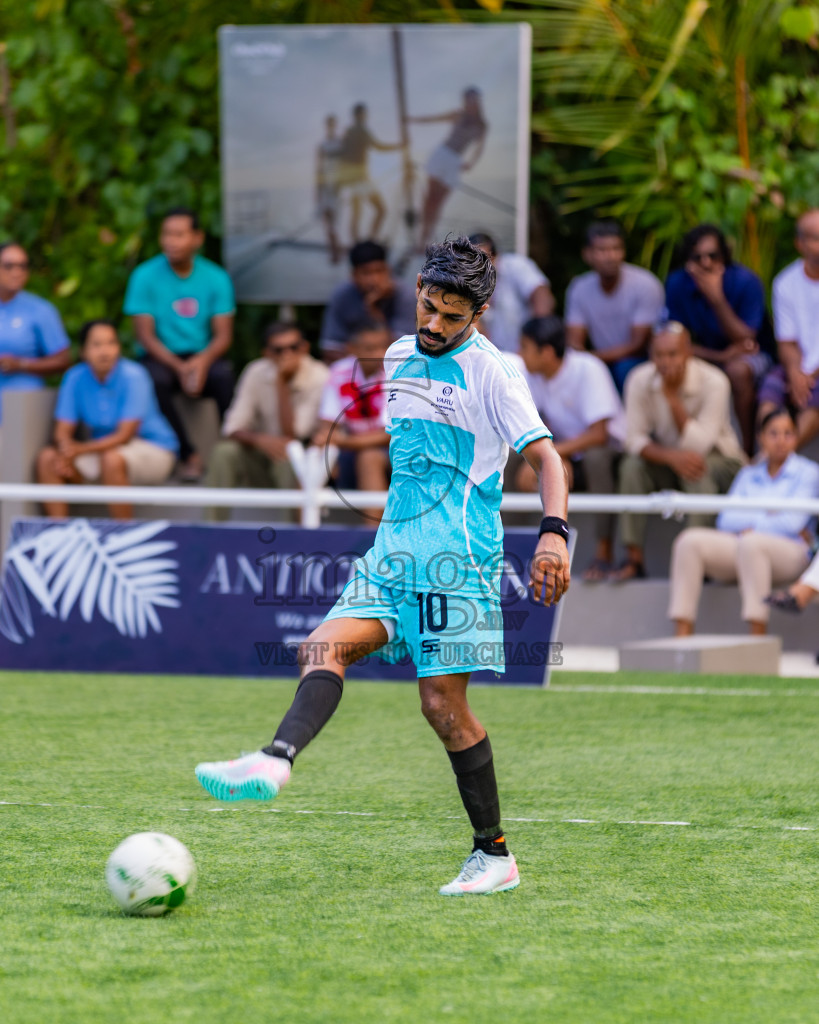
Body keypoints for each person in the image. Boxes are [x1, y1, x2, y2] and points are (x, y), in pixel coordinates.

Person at [195, 237, 571, 897]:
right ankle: (275, 759)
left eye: (451, 317)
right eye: (428, 307)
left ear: (477, 315)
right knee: (322, 647)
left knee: (441, 706)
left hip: (457, 560)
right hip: (391, 557)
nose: (433, 325)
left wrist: (552, 535)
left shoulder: (495, 371)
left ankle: (494, 856)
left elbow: (548, 458)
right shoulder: (398, 354)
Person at [668, 408, 819, 636]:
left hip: (792, 552)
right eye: (774, 433)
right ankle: (682, 635)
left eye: (788, 434)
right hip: (747, 548)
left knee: (752, 543)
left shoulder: (809, 472)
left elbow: (792, 523)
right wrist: (768, 515)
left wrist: (751, 524)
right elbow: (726, 519)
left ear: (796, 438)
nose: (781, 441)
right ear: (761, 438)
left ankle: (756, 637)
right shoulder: (749, 473)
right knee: (689, 542)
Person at [616, 321, 746, 581]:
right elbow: (632, 439)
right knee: (631, 466)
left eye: (672, 354)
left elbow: (699, 446)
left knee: (698, 467)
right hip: (670, 459)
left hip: (721, 461)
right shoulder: (639, 379)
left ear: (688, 353)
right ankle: (634, 559)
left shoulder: (715, 381)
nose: (665, 362)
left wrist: (672, 397)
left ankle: (699, 563)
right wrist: (670, 457)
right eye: (659, 355)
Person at [123, 207, 236, 481]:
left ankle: (232, 456)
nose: (171, 241)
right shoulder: (144, 276)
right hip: (161, 357)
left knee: (224, 376)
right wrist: (179, 367)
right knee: (153, 380)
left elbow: (223, 336)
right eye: (166, 234)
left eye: (179, 234)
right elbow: (145, 336)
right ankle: (188, 455)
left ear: (197, 238)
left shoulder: (216, 277)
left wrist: (200, 362)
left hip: (202, 355)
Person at [516, 315, 626, 581]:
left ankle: (604, 552)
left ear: (547, 352)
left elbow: (600, 435)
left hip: (612, 454)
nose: (521, 354)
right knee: (510, 456)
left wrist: (554, 456)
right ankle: (509, 546)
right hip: (569, 453)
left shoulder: (588, 368)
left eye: (526, 348)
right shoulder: (535, 374)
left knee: (596, 460)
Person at [36, 320, 178, 519]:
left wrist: (78, 450)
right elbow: (62, 430)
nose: (105, 351)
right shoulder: (74, 377)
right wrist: (65, 451)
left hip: (151, 448)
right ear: (83, 351)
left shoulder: (134, 375)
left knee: (111, 459)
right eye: (97, 344)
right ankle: (60, 536)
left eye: (111, 343)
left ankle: (123, 537)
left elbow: (125, 436)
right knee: (48, 459)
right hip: (101, 450)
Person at [665, 224, 772, 455]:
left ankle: (746, 450)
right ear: (687, 260)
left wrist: (716, 298)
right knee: (668, 363)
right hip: (704, 354)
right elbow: (673, 341)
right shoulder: (677, 284)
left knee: (737, 370)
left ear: (724, 255)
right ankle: (685, 448)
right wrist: (720, 356)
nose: (706, 263)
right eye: (698, 257)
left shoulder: (746, 281)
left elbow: (746, 339)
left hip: (753, 355)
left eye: (713, 255)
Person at [204, 323, 329, 520]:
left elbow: (294, 434)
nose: (287, 354)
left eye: (294, 347)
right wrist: (261, 441)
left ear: (305, 348)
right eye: (278, 350)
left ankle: (291, 540)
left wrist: (281, 382)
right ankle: (209, 532)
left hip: (301, 461)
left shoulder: (319, 375)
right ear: (267, 353)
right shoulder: (255, 371)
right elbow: (232, 427)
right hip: (260, 456)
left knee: (289, 456)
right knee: (223, 452)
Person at [565, 221, 665, 392]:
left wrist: (593, 357)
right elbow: (574, 343)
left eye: (616, 249)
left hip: (640, 361)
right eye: (602, 250)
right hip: (600, 361)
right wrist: (589, 361)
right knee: (575, 369)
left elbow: (638, 345)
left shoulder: (645, 284)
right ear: (587, 254)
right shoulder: (579, 288)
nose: (610, 256)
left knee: (624, 368)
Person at [313, 323, 391, 521]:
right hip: (350, 447)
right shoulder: (339, 371)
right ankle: (301, 537)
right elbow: (328, 423)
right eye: (370, 348)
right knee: (313, 456)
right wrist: (327, 450)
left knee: (369, 457)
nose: (379, 353)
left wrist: (339, 442)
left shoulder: (396, 372)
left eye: (382, 346)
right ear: (352, 349)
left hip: (394, 453)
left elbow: (387, 435)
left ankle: (372, 544)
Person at [757, 209, 819, 449]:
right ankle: (764, 456)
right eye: (815, 238)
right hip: (798, 365)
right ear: (799, 244)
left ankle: (778, 458)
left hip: (815, 372)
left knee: (814, 398)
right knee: (770, 390)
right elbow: (786, 341)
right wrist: (795, 373)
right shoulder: (785, 283)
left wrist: (808, 376)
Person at [0, 241, 71, 428]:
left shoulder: (40, 310)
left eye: (22, 266)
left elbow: (63, 360)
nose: (17, 272)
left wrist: (20, 364)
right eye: (9, 266)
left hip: (22, 403)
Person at [410, 88, 488, 252]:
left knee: (438, 202)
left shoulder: (481, 125)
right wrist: (411, 120)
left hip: (455, 161)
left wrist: (471, 163)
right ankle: (422, 239)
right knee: (430, 200)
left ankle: (427, 238)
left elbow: (479, 147)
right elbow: (432, 119)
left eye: (472, 101)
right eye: (467, 100)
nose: (469, 104)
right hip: (442, 155)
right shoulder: (458, 115)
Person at [319, 241, 416, 361]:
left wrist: (374, 312)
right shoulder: (342, 296)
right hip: (353, 369)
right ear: (354, 275)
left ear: (388, 271)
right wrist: (371, 353)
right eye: (366, 273)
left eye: (379, 271)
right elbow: (330, 350)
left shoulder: (404, 295)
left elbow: (403, 351)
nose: (374, 279)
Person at [468, 232, 555, 353]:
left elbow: (541, 295)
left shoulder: (515, 265)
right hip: (497, 358)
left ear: (495, 256)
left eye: (483, 258)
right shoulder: (467, 281)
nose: (478, 265)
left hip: (528, 356)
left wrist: (536, 340)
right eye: (472, 260)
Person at [336, 103, 404, 246]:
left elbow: (341, 155)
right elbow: (378, 147)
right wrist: (399, 146)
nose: (365, 117)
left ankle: (357, 243)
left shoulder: (349, 132)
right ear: (360, 115)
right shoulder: (361, 131)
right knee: (381, 209)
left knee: (357, 212)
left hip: (352, 178)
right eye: (364, 114)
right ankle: (370, 240)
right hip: (361, 178)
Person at [316, 115, 343, 265]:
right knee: (328, 221)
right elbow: (319, 168)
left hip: (335, 185)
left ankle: (336, 252)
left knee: (333, 221)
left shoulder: (339, 143)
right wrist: (318, 190)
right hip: (326, 185)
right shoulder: (323, 145)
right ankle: (334, 252)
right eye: (329, 124)